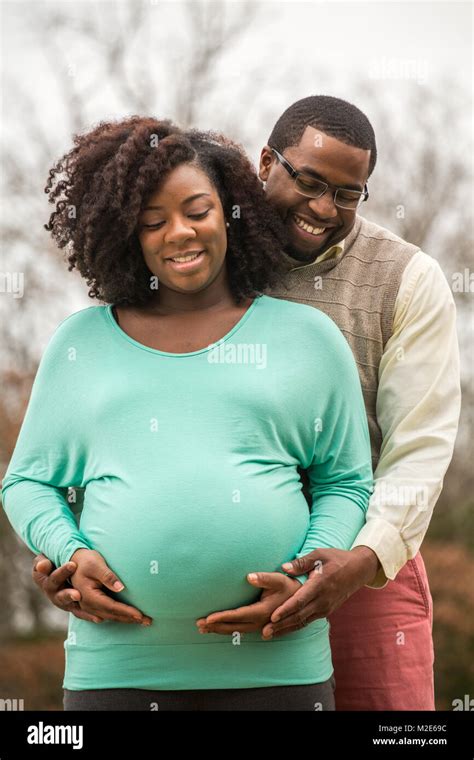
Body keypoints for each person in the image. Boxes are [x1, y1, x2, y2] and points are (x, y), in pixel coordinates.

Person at [29, 96, 461, 710]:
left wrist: (360, 560)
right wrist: (63, 547)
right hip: (154, 653)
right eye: (309, 181)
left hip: (364, 562)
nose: (322, 207)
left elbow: (420, 449)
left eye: (347, 193)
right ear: (266, 163)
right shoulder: (204, 242)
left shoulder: (408, 280)